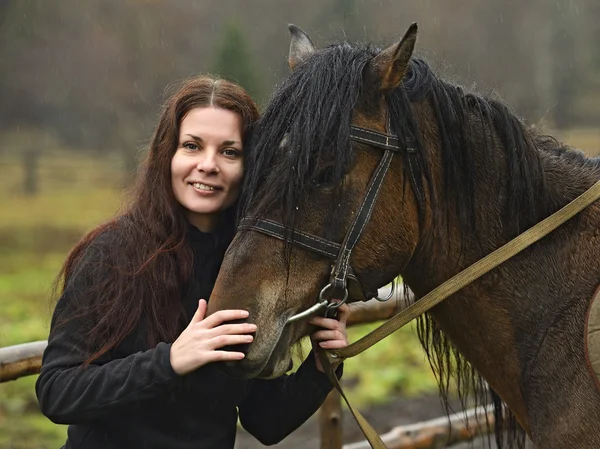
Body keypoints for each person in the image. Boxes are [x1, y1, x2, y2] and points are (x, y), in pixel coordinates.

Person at [35, 75, 350, 449]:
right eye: (192, 146)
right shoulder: (112, 253)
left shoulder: (247, 267)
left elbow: (265, 421)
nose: (209, 165)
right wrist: (170, 362)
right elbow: (58, 392)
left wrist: (319, 366)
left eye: (230, 152)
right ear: (167, 154)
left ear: (252, 166)